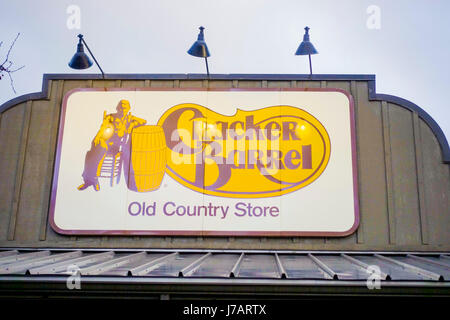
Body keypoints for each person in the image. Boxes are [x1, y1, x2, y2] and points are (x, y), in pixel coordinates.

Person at [78, 99, 147, 191]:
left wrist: (132, 125)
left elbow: (144, 121)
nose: (123, 109)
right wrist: (98, 137)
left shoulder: (129, 119)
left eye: (125, 108)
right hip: (104, 141)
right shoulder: (110, 117)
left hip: (115, 147)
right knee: (97, 150)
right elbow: (103, 127)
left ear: (128, 109)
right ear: (117, 108)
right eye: (121, 107)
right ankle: (93, 180)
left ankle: (90, 179)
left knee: (94, 153)